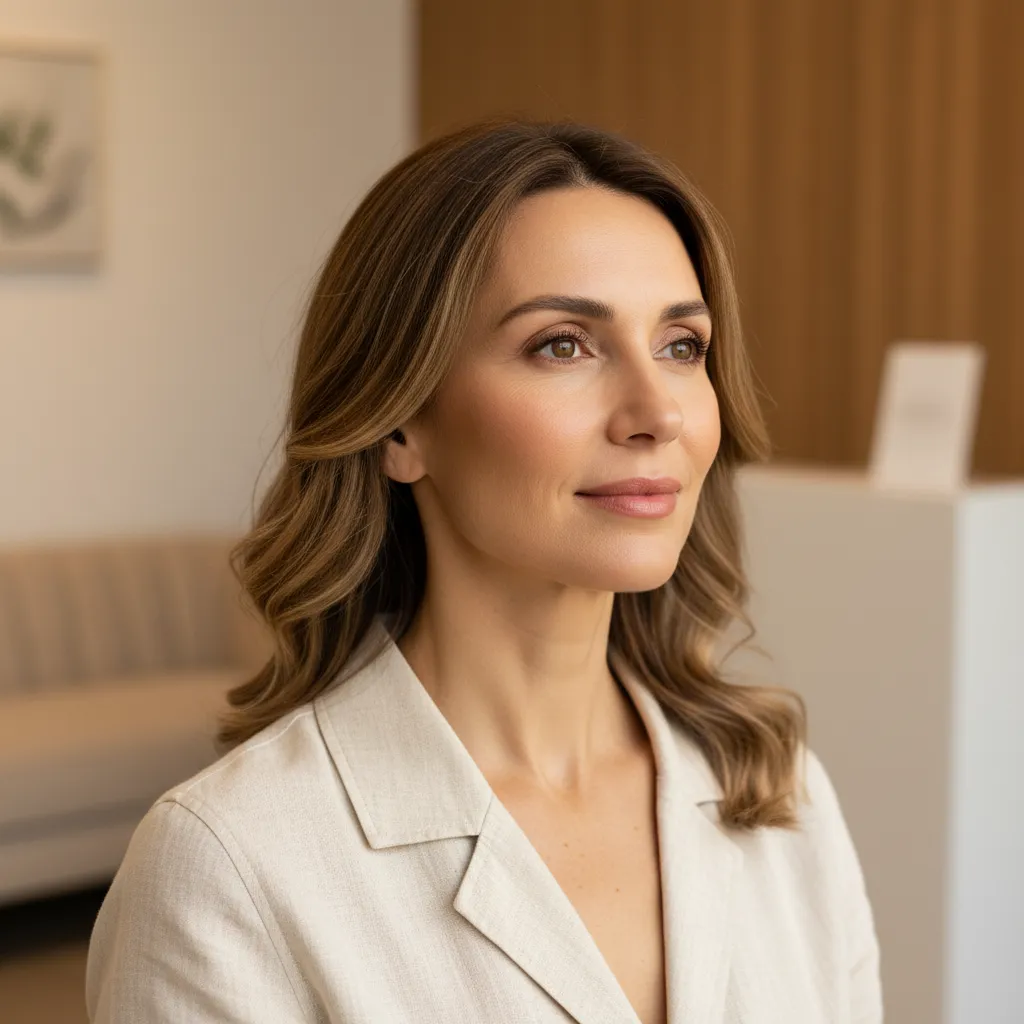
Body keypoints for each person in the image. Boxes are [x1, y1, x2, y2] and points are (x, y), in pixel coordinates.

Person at [85, 119, 883, 1024]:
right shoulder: (230, 865)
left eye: (681, 346)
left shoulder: (780, 793)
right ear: (398, 424)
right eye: (563, 344)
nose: (656, 411)